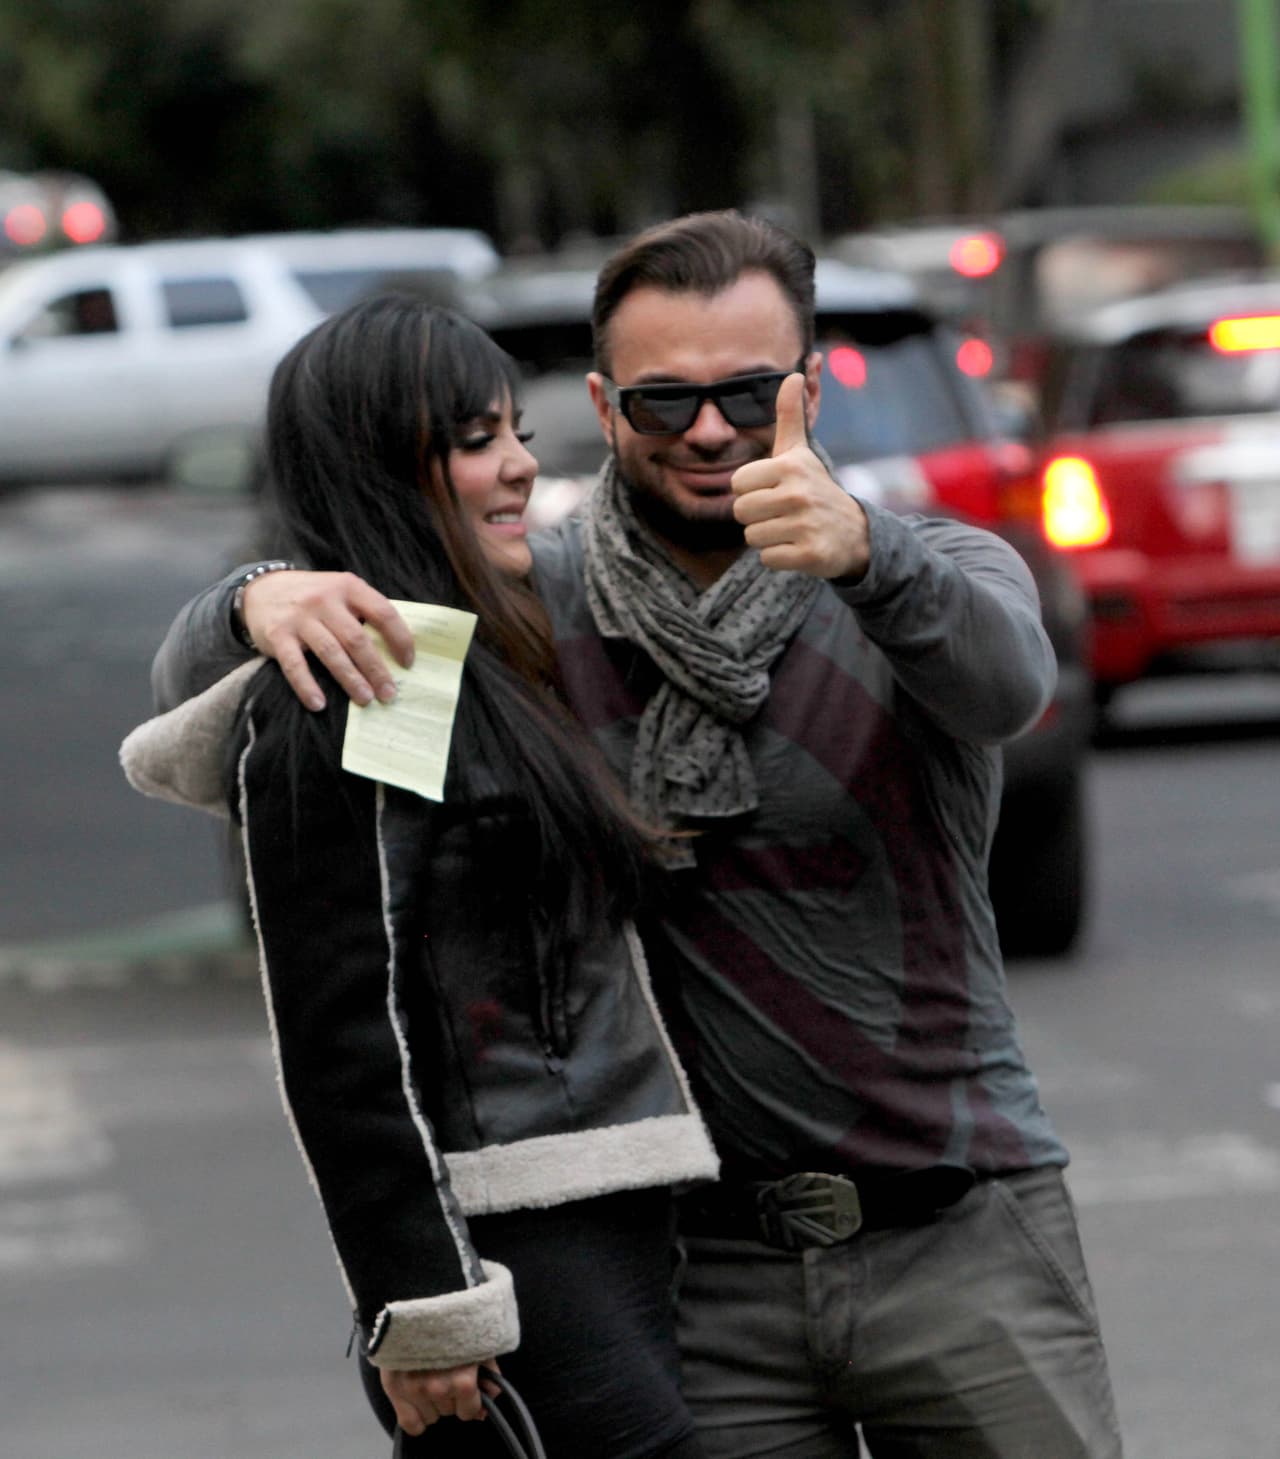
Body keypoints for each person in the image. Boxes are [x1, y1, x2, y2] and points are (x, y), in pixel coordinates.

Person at [147, 212, 1124, 1457]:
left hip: (960, 1235)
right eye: (665, 402)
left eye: (748, 394)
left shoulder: (921, 568)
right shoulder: (522, 614)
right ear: (604, 410)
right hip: (705, 1275)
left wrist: (869, 558)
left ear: (806, 395)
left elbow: (1008, 690)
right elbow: (242, 709)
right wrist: (253, 598)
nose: (710, 430)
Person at [122, 293, 718, 1458]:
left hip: (605, 1209)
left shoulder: (483, 646)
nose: (516, 468)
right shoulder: (369, 685)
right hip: (509, 1236)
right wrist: (427, 1304)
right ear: (378, 464)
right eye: (473, 438)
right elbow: (344, 1025)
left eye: (517, 434)